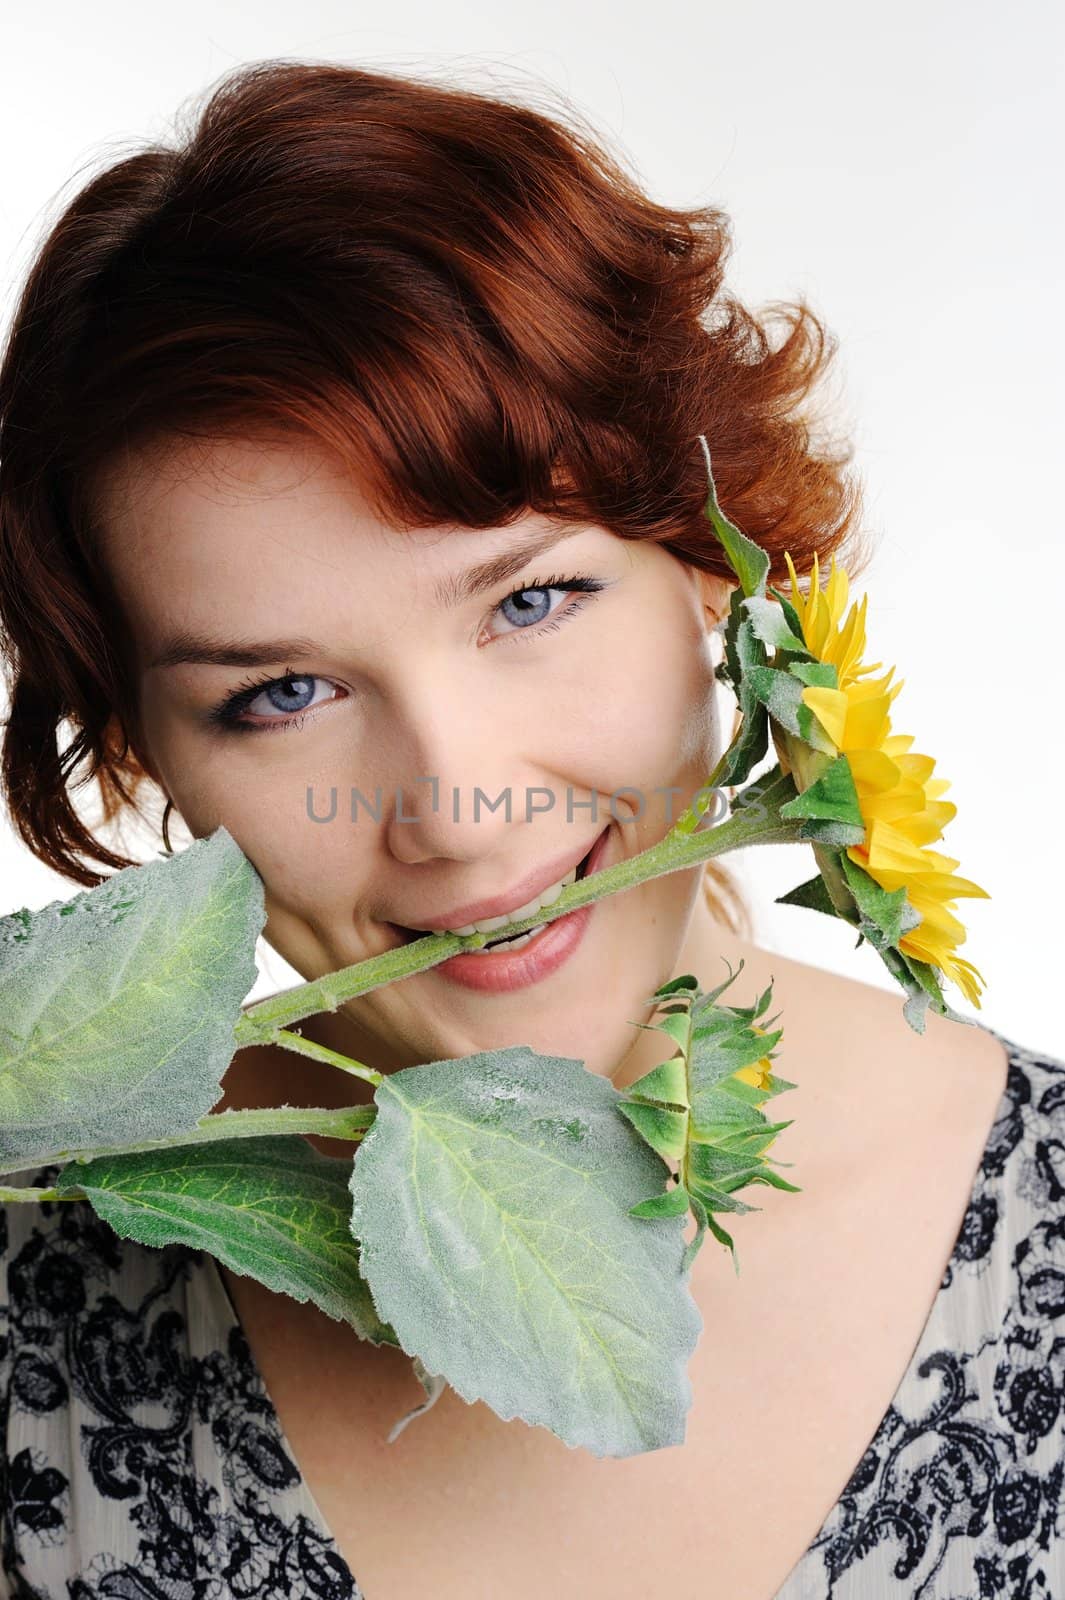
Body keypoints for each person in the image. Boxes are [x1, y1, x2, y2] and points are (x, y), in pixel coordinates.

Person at [0, 57, 1059, 1600]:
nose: (451, 807)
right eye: (283, 691)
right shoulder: (38, 1269)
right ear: (142, 748)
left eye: (531, 600)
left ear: (710, 558)